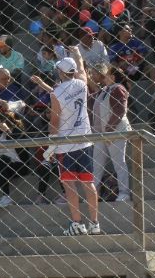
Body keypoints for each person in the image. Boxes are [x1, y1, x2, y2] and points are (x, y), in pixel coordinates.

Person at [47, 47, 100, 236]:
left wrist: (51, 145)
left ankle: (77, 223)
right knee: (88, 182)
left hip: (65, 144)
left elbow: (54, 121)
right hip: (84, 140)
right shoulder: (81, 84)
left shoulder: (56, 93)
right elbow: (82, 70)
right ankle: (94, 223)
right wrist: (77, 54)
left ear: (61, 73)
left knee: (70, 185)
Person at [89, 64, 132, 202]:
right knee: (96, 165)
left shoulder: (118, 88)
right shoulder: (105, 90)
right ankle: (93, 194)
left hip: (115, 132)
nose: (104, 77)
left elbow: (120, 111)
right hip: (102, 134)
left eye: (107, 74)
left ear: (113, 77)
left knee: (119, 163)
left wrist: (109, 131)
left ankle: (124, 193)